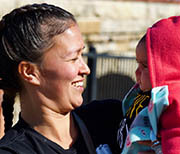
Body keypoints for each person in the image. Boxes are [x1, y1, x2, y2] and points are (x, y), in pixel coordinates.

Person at [0, 3, 122, 154]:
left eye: (82, 55)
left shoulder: (111, 119)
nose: (86, 69)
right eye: (73, 58)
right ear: (30, 72)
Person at [117, 16, 180, 154]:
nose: (136, 72)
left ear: (169, 68)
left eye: (145, 66)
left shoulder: (173, 102)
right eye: (137, 64)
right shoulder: (144, 95)